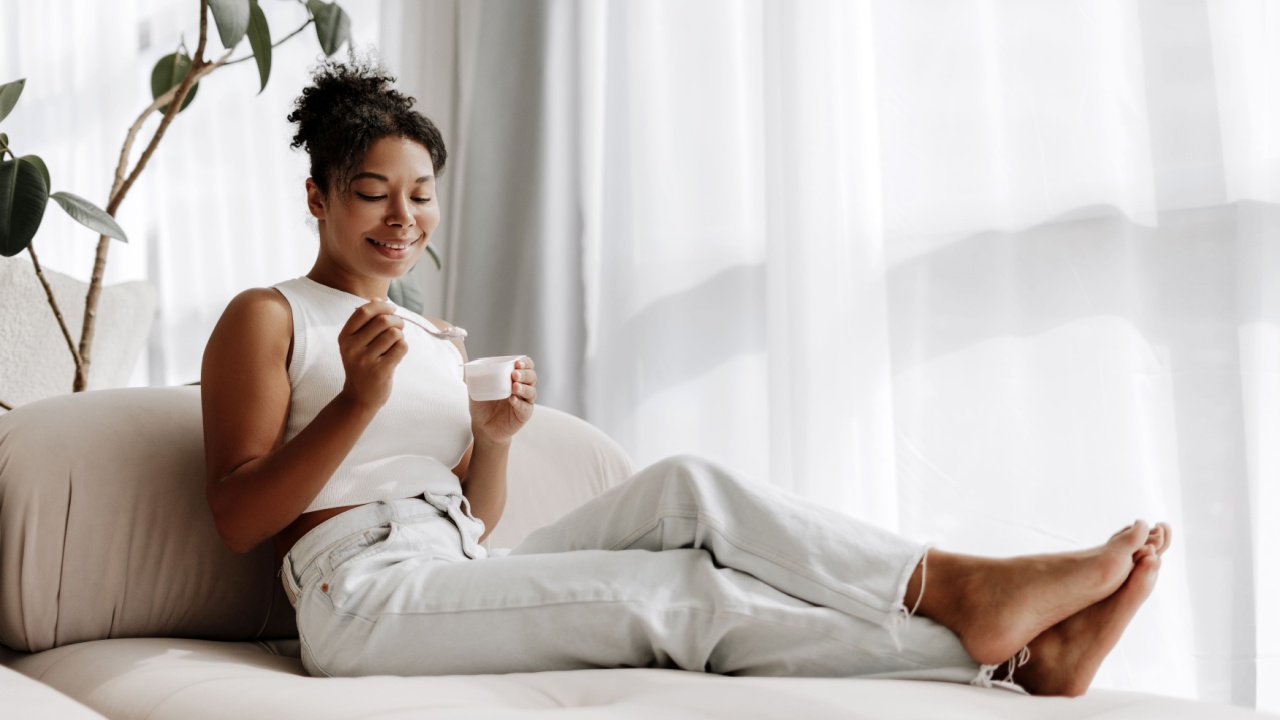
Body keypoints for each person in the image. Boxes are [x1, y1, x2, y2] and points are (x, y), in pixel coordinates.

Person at [200, 56, 1171, 697]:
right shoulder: (271, 316)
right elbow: (241, 516)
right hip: (356, 598)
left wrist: (492, 444)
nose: (401, 217)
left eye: (420, 195)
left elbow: (475, 518)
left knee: (684, 489)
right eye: (371, 193)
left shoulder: (438, 339)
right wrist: (358, 405)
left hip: (453, 561)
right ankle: (1004, 666)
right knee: (673, 597)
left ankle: (951, 584)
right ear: (318, 197)